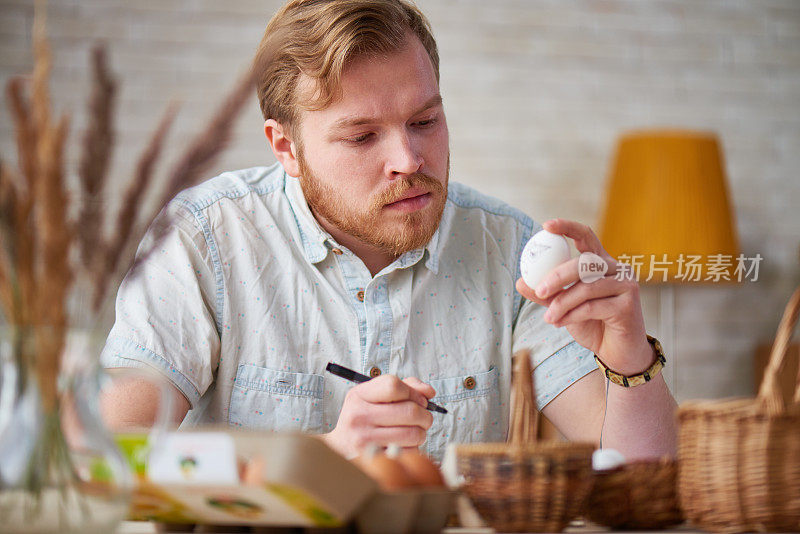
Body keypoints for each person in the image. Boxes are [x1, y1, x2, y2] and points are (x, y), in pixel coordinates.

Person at [100, 0, 677, 463]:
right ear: (286, 148)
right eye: (361, 137)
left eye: (425, 121)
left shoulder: (508, 251)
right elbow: (109, 457)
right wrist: (323, 460)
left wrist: (628, 355)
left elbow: (640, 476)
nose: (409, 158)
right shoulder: (206, 239)